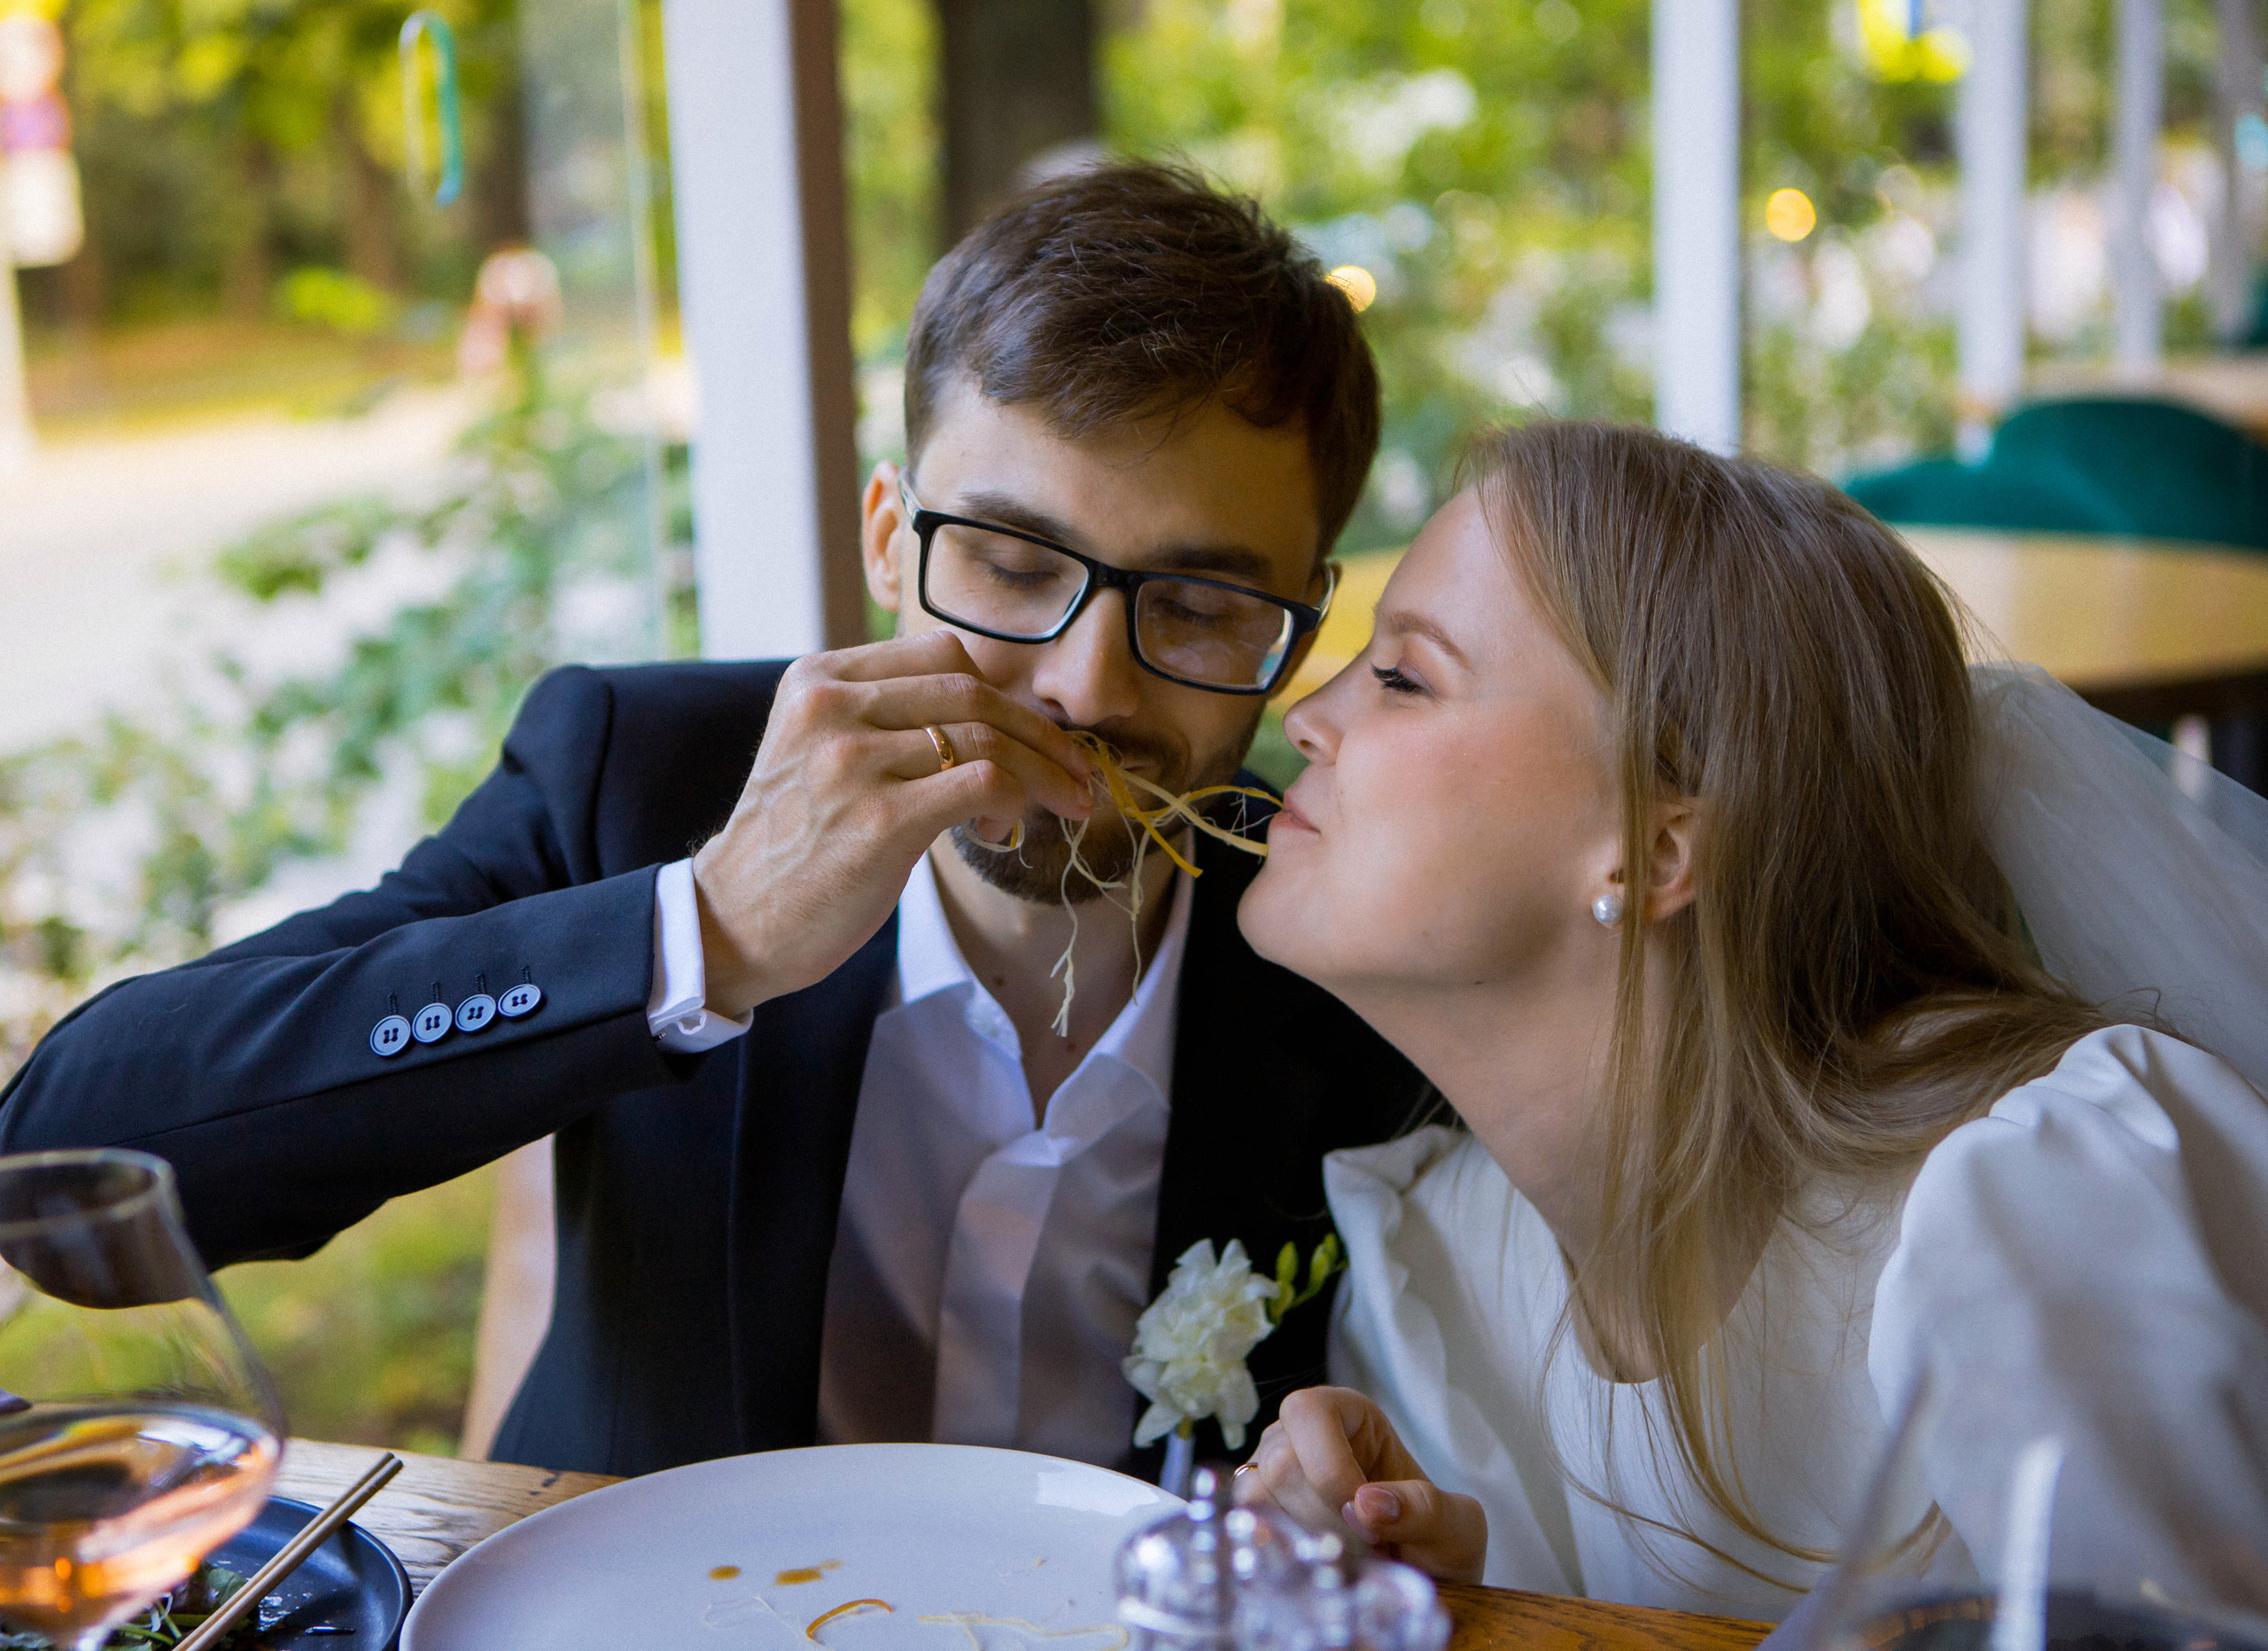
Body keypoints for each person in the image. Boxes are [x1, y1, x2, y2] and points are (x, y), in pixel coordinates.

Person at [0, 162, 1426, 1478]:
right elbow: (61, 1153)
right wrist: (705, 934)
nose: (1083, 685)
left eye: (1198, 606)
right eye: (1008, 565)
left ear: (1297, 635)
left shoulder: (1361, 948)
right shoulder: (640, 776)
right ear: (890, 540)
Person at [1235, 422, 2268, 1616]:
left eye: (1405, 677)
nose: (1304, 716)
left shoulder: (2047, 1205)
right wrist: (1447, 1610)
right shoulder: (1432, 1279)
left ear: (1655, 848)